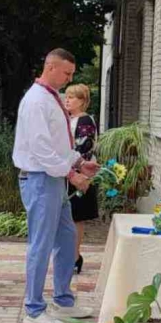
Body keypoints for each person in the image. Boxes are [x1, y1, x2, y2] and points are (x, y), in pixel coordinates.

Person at [12, 48, 98, 323]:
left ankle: (63, 299)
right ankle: (33, 309)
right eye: (67, 73)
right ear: (50, 67)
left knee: (67, 236)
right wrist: (71, 174)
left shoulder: (52, 98)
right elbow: (41, 149)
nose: (69, 79)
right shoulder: (37, 101)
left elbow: (59, 145)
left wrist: (79, 162)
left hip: (52, 180)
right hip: (40, 179)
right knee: (41, 243)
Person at [64, 84, 98, 274]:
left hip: (80, 175)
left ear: (83, 101)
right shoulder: (68, 119)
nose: (67, 100)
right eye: (67, 96)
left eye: (72, 97)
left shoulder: (85, 120)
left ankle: (75, 256)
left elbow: (84, 148)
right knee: (68, 217)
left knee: (76, 217)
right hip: (67, 174)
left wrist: (72, 170)